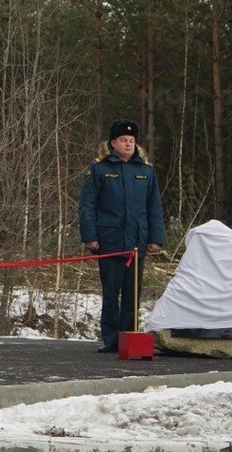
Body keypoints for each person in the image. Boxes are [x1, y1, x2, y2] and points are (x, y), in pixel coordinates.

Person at [78, 119, 166, 353]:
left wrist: (156, 238)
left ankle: (128, 338)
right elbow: (87, 205)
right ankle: (110, 339)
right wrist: (90, 236)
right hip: (110, 241)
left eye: (131, 140)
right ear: (113, 143)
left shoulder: (145, 171)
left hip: (137, 242)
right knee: (110, 292)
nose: (128, 144)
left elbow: (154, 207)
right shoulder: (98, 169)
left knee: (132, 294)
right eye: (123, 140)